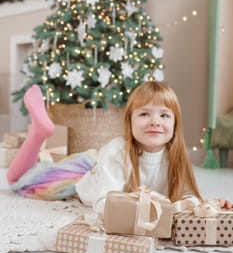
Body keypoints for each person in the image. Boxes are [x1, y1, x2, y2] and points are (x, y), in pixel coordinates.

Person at [7, 81, 232, 213]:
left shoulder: (177, 156)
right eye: (144, 114)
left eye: (164, 115)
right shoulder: (116, 152)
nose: (155, 122)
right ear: (130, 122)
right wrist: (151, 206)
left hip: (97, 165)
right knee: (19, 181)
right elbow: (104, 205)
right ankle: (39, 133)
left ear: (175, 124)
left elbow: (186, 197)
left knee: (31, 174)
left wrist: (203, 207)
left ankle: (41, 145)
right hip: (79, 182)